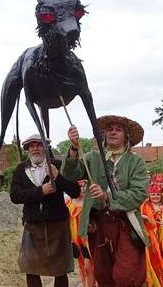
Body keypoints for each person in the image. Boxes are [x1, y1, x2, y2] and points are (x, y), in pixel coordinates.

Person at [63, 115, 149, 287]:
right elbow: (70, 175)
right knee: (103, 276)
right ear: (103, 134)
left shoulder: (135, 161)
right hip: (99, 225)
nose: (113, 132)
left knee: (126, 276)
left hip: (126, 224)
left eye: (118, 129)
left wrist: (107, 197)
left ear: (126, 136)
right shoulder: (93, 158)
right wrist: (73, 147)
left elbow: (139, 193)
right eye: (109, 129)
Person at [10, 134, 80, 287]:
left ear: (45, 147)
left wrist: (57, 176)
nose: (35, 148)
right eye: (31, 146)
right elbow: (15, 196)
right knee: (31, 268)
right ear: (27, 149)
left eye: (39, 145)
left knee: (60, 269)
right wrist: (40, 191)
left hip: (58, 225)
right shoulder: (21, 169)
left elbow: (75, 191)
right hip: (33, 225)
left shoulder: (58, 164)